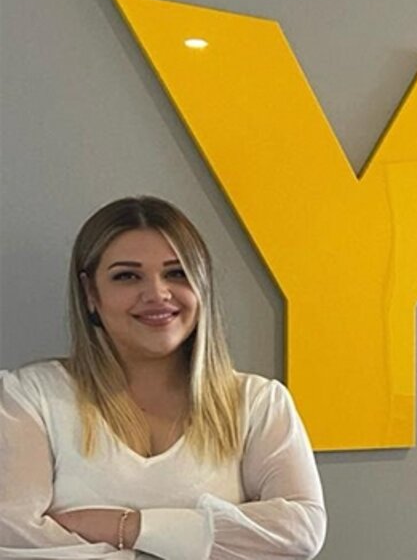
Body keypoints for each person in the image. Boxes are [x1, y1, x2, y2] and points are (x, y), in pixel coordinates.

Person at [0, 196, 326, 559]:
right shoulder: (28, 397)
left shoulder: (259, 402)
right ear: (91, 293)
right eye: (127, 276)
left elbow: (300, 532)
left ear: (202, 284)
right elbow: (11, 540)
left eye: (177, 273)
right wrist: (198, 541)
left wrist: (129, 527)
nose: (157, 293)